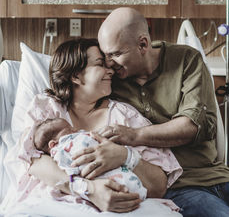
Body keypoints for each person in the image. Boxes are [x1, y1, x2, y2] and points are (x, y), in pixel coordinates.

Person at [90, 7, 229, 217]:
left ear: (143, 44)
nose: (109, 64)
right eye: (105, 55)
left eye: (115, 54)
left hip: (216, 174)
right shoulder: (110, 81)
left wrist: (134, 135)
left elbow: (190, 126)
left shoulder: (186, 60)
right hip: (175, 183)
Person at [10, 38, 182, 214]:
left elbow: (159, 185)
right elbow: (31, 160)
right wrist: (89, 190)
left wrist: (125, 156)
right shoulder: (47, 109)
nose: (111, 71)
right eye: (100, 64)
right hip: (53, 203)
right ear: (76, 75)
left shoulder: (124, 116)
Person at [33, 117, 147, 200]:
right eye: (69, 130)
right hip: (91, 174)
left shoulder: (81, 135)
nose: (74, 130)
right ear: (53, 144)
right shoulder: (60, 151)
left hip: (110, 160)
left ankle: (133, 189)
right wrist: (76, 177)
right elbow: (67, 169)